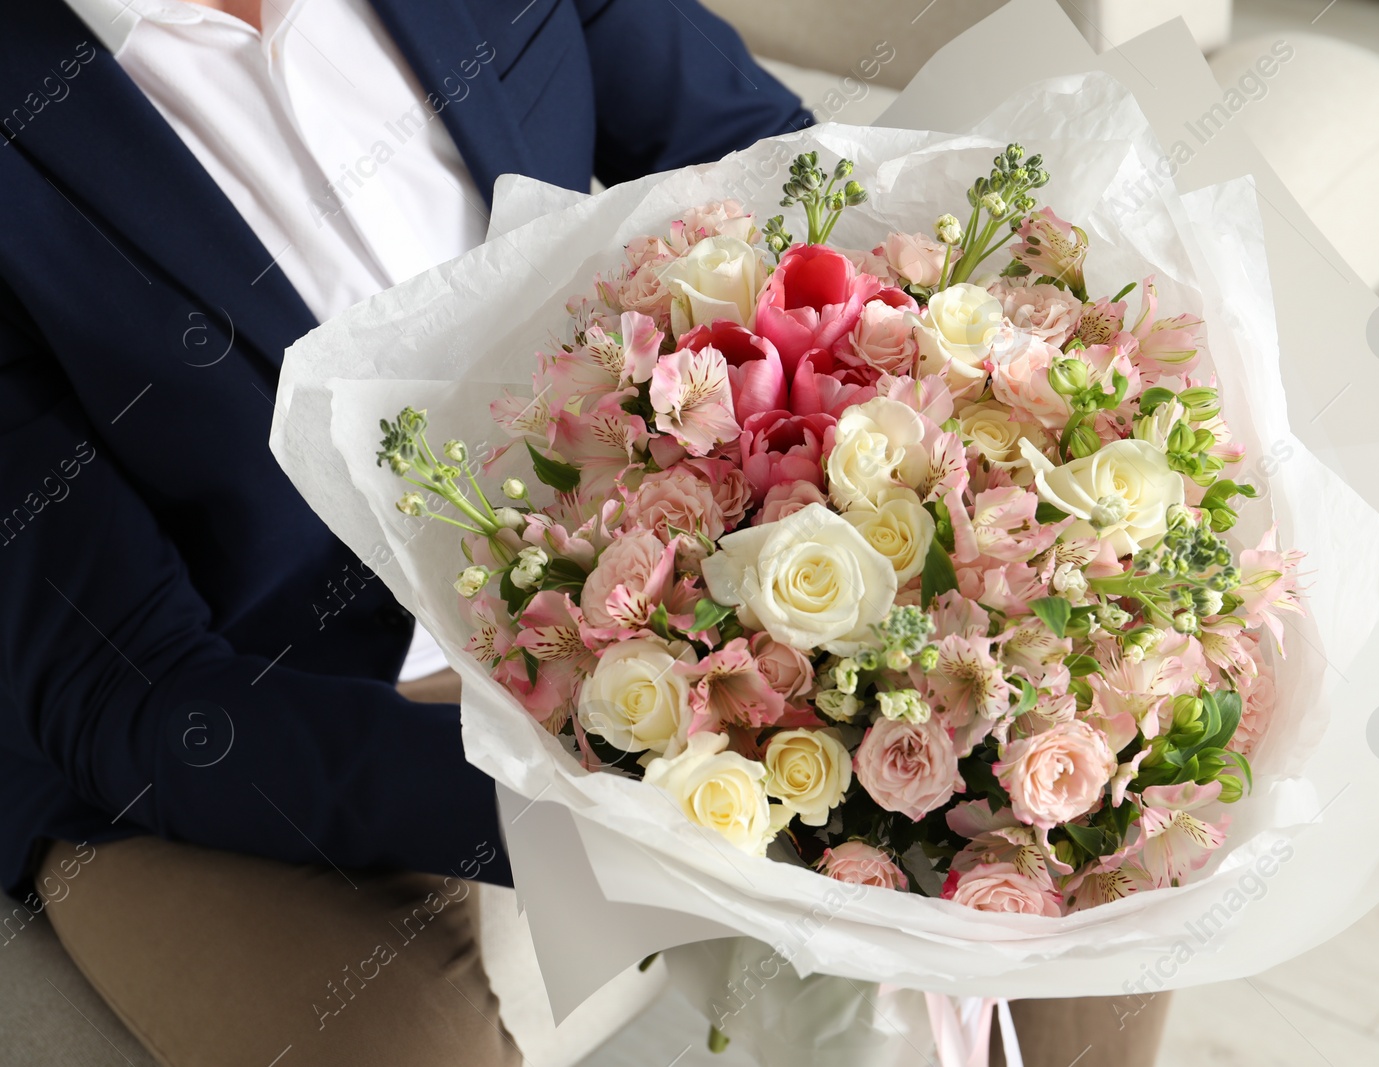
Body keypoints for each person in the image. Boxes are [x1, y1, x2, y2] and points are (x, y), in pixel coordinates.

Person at [0, 2, 1168, 1064]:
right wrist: (613, 802)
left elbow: (795, 190)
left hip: (643, 599)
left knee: (1099, 774)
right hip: (244, 711)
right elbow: (129, 704)